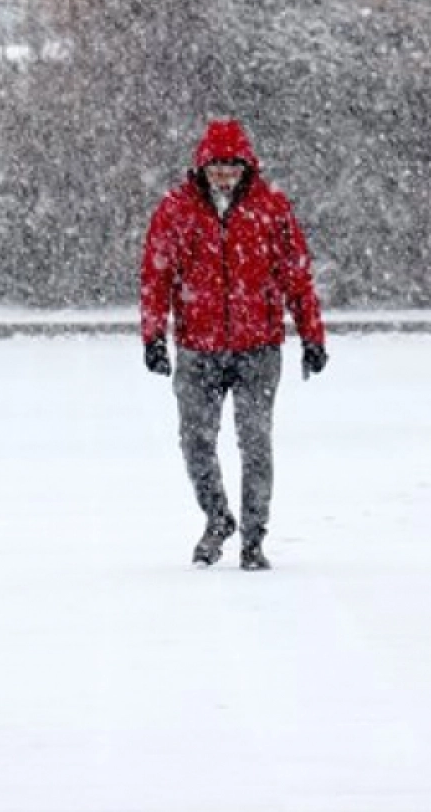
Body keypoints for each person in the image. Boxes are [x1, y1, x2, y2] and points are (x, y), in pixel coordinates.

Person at [140, 118, 327, 570]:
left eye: (232, 166)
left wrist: (311, 335)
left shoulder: (272, 209)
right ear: (202, 166)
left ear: (247, 167)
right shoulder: (176, 210)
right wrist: (153, 336)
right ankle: (217, 516)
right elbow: (156, 275)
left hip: (257, 349)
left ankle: (253, 537)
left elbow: (296, 276)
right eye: (217, 166)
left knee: (255, 442)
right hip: (198, 349)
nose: (224, 174)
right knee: (195, 442)